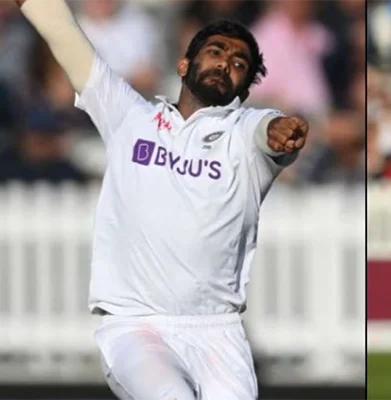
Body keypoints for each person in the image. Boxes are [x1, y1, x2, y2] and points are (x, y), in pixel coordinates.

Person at [13, 0, 308, 399]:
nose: (225, 64)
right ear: (184, 65)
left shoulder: (245, 135)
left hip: (218, 332)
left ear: (246, 85)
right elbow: (63, 33)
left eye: (240, 64)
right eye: (216, 52)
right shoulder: (127, 115)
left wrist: (279, 128)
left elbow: (268, 131)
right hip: (137, 327)